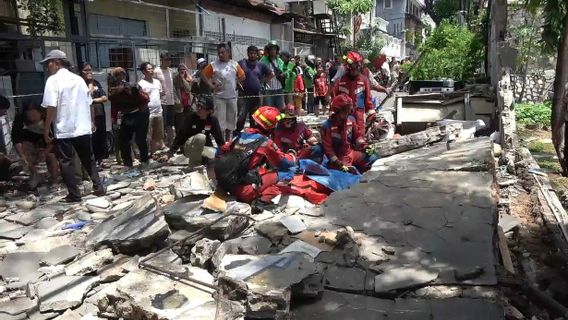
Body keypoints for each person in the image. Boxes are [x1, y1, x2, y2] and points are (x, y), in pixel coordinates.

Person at [40, 49, 105, 202]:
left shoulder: (53, 81)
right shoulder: (78, 80)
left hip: (64, 129)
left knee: (66, 161)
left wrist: (46, 129)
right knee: (88, 158)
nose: (47, 67)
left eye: (48, 63)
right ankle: (99, 186)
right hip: (82, 127)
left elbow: (51, 107)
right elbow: (89, 103)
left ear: (57, 63)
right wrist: (90, 122)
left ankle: (74, 194)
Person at [215, 106, 297, 203]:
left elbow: (219, 152)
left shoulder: (240, 135)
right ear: (271, 126)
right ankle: (261, 201)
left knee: (261, 171)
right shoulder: (266, 143)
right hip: (244, 191)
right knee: (288, 172)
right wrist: (292, 155)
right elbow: (284, 163)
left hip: (225, 185)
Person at [321, 94, 377, 174]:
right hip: (339, 158)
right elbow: (328, 149)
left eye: (349, 109)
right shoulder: (327, 126)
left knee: (373, 157)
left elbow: (357, 137)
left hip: (351, 153)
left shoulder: (351, 120)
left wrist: (365, 146)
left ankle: (361, 170)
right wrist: (337, 162)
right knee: (345, 173)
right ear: (338, 110)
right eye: (346, 110)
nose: (348, 112)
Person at [201, 43, 245, 142]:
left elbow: (243, 76)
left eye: (223, 52)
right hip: (219, 98)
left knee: (231, 123)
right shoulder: (213, 64)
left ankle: (228, 142)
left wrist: (236, 82)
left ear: (228, 53)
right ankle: (221, 143)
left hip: (232, 97)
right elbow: (203, 75)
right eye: (219, 53)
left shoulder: (234, 64)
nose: (220, 55)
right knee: (220, 124)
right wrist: (211, 86)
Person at [109, 67, 150, 168]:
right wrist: (114, 119)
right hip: (127, 115)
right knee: (123, 140)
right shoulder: (112, 91)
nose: (120, 77)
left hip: (140, 113)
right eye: (117, 75)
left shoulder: (132, 86)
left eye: (122, 74)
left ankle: (144, 160)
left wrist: (133, 91)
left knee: (140, 139)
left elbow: (145, 98)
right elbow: (114, 105)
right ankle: (127, 163)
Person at [11, 100, 58, 188]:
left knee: (51, 156)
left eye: (34, 116)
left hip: (47, 140)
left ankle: (54, 178)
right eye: (29, 116)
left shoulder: (48, 118)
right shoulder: (20, 119)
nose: (32, 119)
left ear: (41, 113)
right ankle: (34, 175)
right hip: (29, 140)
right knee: (25, 150)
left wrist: (45, 152)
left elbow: (55, 139)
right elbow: (16, 138)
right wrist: (22, 156)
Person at [166, 95, 224, 167]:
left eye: (202, 107)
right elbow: (180, 136)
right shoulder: (191, 118)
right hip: (188, 146)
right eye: (198, 105)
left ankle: (202, 160)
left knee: (215, 154)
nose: (198, 108)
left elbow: (219, 138)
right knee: (201, 137)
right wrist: (170, 152)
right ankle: (194, 165)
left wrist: (224, 152)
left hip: (203, 146)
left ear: (209, 111)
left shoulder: (212, 120)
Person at [333, 51, 374, 137]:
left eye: (356, 66)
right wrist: (332, 112)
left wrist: (371, 112)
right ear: (348, 66)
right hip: (344, 116)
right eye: (352, 66)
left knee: (359, 138)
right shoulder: (340, 81)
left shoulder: (364, 80)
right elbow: (334, 99)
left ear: (360, 66)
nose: (354, 69)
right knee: (345, 138)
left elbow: (368, 99)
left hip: (359, 115)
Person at [237, 45, 274, 133]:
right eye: (251, 53)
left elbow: (271, 74)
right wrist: (238, 82)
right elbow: (234, 73)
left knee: (254, 119)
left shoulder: (261, 65)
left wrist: (262, 80)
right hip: (243, 96)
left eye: (254, 53)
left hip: (256, 96)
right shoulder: (242, 63)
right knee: (241, 118)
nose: (253, 55)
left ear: (257, 55)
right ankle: (237, 136)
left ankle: (252, 136)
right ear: (248, 54)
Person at [80, 63, 109, 165]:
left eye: (90, 70)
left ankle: (101, 159)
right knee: (93, 139)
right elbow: (87, 96)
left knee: (101, 137)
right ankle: (93, 161)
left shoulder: (96, 83)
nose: (89, 72)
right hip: (88, 117)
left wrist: (93, 100)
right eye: (86, 70)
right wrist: (90, 85)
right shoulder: (81, 84)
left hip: (99, 114)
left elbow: (104, 98)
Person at [138, 62, 165, 155]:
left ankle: (153, 153)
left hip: (158, 111)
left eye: (152, 68)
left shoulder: (157, 82)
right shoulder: (141, 84)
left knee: (157, 135)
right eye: (149, 69)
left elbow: (160, 94)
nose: (151, 70)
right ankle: (146, 154)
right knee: (147, 135)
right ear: (143, 71)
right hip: (147, 113)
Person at [154, 52, 176, 146]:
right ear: (161, 60)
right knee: (162, 123)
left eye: (170, 59)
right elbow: (151, 83)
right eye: (166, 59)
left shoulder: (171, 71)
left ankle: (171, 142)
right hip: (161, 101)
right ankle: (161, 143)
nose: (169, 61)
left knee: (170, 123)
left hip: (171, 100)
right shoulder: (156, 71)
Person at [259, 40, 286, 110]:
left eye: (274, 49)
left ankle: (278, 121)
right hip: (268, 90)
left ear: (277, 50)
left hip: (279, 89)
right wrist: (267, 78)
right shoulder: (263, 61)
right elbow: (259, 75)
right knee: (269, 110)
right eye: (271, 49)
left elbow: (286, 72)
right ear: (268, 50)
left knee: (281, 110)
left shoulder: (280, 61)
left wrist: (284, 74)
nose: (273, 51)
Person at [173, 63, 193, 131]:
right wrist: (177, 101)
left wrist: (183, 79)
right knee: (180, 122)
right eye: (180, 69)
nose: (182, 71)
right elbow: (174, 91)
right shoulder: (175, 79)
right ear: (178, 70)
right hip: (180, 103)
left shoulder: (189, 78)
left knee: (189, 121)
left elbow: (189, 89)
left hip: (188, 103)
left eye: (184, 69)